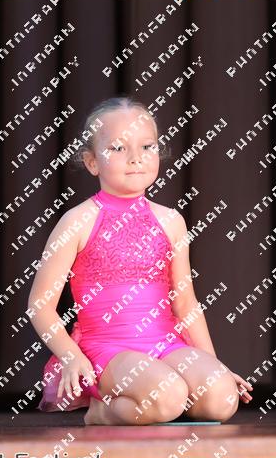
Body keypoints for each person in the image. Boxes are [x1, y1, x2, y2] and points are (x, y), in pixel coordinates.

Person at [29, 96, 253, 425]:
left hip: (165, 344)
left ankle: (159, 401)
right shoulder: (78, 221)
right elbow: (40, 305)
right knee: (167, 396)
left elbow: (185, 303)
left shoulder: (171, 221)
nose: (136, 158)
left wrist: (214, 365)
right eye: (118, 148)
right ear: (92, 162)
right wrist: (71, 355)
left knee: (221, 400)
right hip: (107, 351)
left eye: (147, 147)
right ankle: (102, 412)